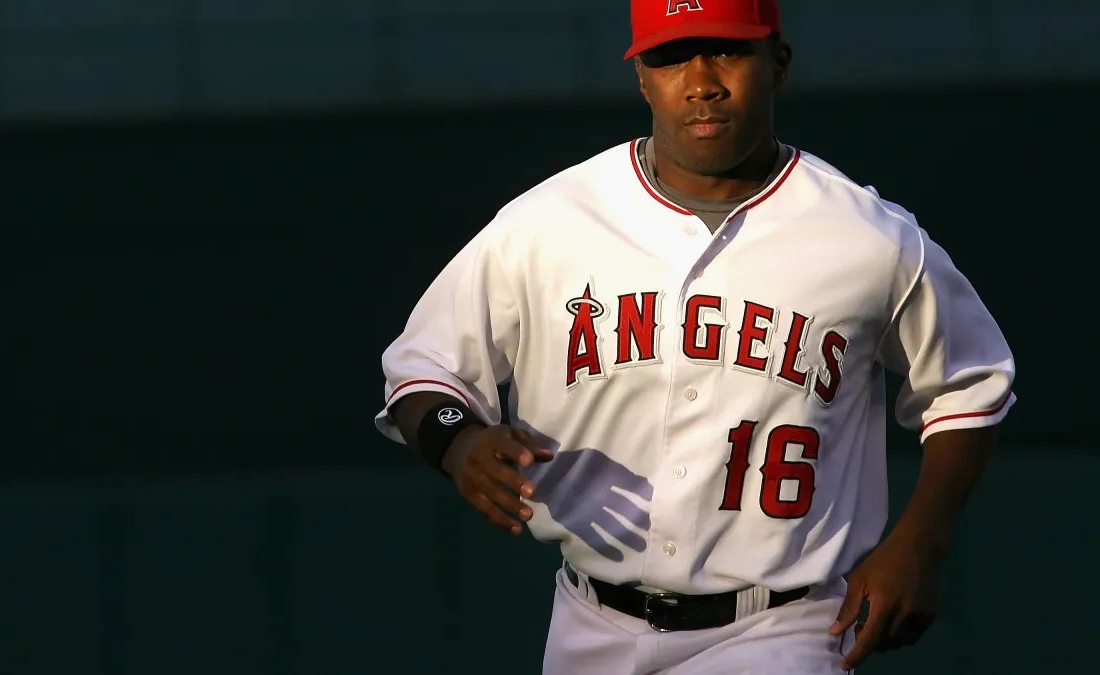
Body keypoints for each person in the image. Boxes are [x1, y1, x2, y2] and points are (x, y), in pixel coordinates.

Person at [372, 1, 1016, 673]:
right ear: (642, 78)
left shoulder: (868, 236)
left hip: (782, 626)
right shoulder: (546, 224)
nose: (701, 81)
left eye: (727, 50)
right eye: (671, 57)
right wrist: (457, 440)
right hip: (589, 620)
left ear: (778, 63)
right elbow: (423, 369)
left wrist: (921, 542)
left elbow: (970, 386)